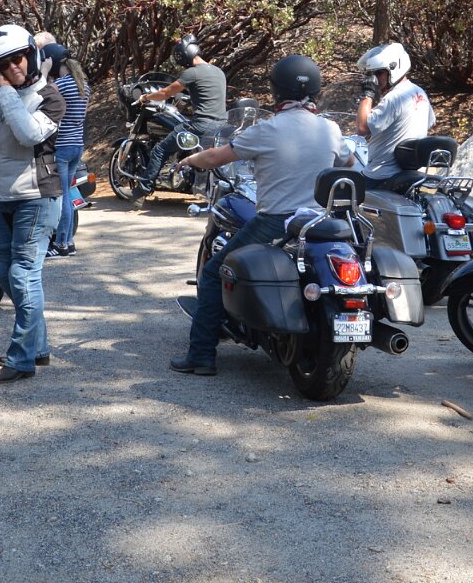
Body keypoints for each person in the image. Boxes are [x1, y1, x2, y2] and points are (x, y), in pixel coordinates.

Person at [169, 55, 344, 376]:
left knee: (214, 273)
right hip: (320, 223)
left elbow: (216, 157)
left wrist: (190, 160)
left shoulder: (267, 129)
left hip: (277, 222)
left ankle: (201, 356)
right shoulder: (331, 129)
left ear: (277, 90)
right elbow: (347, 162)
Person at [0, 24, 66, 383]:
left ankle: (21, 359)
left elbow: (29, 134)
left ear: (31, 54)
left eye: (17, 58)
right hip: (1, 197)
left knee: (22, 275)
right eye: (2, 65)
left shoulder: (49, 96)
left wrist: (3, 92)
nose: (12, 67)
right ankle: (38, 346)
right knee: (6, 275)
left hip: (37, 197)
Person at [139, 35, 227, 191]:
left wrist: (145, 97)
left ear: (185, 55)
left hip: (201, 126)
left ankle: (143, 188)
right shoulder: (218, 71)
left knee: (160, 149)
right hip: (222, 125)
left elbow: (165, 93)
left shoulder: (192, 73)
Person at [354, 41, 435, 187]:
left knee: (342, 193)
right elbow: (428, 123)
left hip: (381, 175)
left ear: (394, 69)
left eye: (379, 73)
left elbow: (362, 128)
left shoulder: (394, 97)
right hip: (410, 173)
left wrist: (367, 93)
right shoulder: (419, 92)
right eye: (371, 75)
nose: (374, 80)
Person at [43, 42, 87, 256]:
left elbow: (40, 97)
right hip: (77, 145)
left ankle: (61, 243)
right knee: (68, 194)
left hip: (61, 147)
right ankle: (68, 242)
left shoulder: (59, 85)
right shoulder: (82, 85)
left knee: (62, 198)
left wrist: (43, 76)